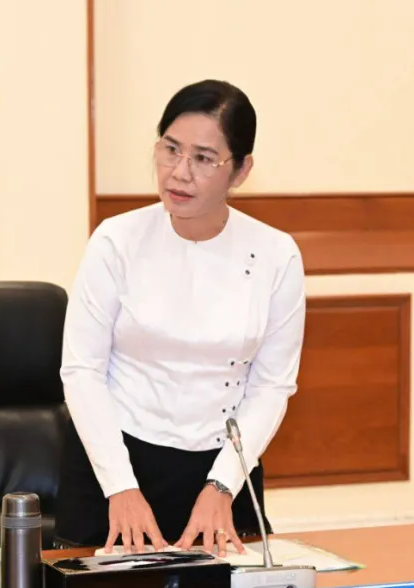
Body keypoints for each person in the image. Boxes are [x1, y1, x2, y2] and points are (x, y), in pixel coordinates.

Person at [55, 79, 306, 557]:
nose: (179, 173)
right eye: (170, 149)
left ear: (241, 170)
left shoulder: (276, 255)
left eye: (204, 158)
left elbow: (272, 386)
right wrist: (120, 486)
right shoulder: (116, 240)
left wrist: (223, 485)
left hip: (223, 469)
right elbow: (82, 370)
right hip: (114, 463)